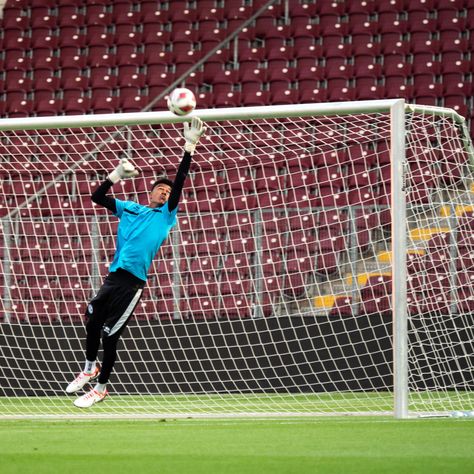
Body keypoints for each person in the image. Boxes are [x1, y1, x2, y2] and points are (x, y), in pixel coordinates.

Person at [66, 116, 206, 408]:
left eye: (168, 193)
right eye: (161, 189)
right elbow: (97, 196)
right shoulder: (130, 209)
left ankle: (101, 387)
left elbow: (179, 182)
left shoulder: (166, 216)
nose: (165, 192)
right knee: (92, 318)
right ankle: (89, 367)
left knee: (110, 334)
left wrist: (189, 147)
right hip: (114, 276)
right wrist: (116, 173)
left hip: (133, 284)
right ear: (150, 192)